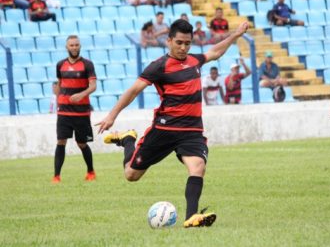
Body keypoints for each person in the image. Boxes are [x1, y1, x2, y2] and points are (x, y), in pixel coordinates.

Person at [96, 19, 249, 228]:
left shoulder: (195, 61)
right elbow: (133, 91)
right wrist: (112, 116)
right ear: (169, 41)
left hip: (192, 130)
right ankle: (128, 139)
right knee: (131, 175)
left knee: (198, 166)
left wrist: (236, 35)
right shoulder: (159, 66)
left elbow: (216, 52)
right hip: (165, 129)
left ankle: (192, 217)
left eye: (188, 43)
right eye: (179, 43)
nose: (184, 48)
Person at [52, 35, 97, 184]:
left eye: (77, 45)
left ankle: (90, 172)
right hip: (64, 111)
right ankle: (56, 176)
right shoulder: (60, 65)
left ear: (80, 46)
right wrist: (57, 99)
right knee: (61, 141)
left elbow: (93, 86)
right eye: (71, 45)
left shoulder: (87, 65)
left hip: (81, 112)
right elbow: (59, 83)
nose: (74, 47)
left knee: (82, 144)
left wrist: (81, 95)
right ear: (67, 47)